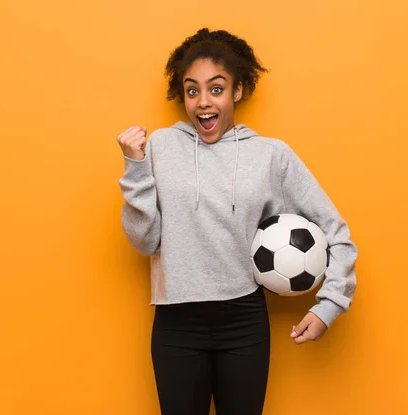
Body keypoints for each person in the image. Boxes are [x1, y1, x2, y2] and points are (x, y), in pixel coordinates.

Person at [116, 28, 358, 415]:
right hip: (176, 323)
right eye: (192, 90)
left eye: (216, 88)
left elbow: (337, 233)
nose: (203, 102)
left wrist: (328, 305)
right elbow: (145, 242)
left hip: (243, 322)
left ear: (237, 91)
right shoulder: (160, 147)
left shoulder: (271, 156)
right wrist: (134, 168)